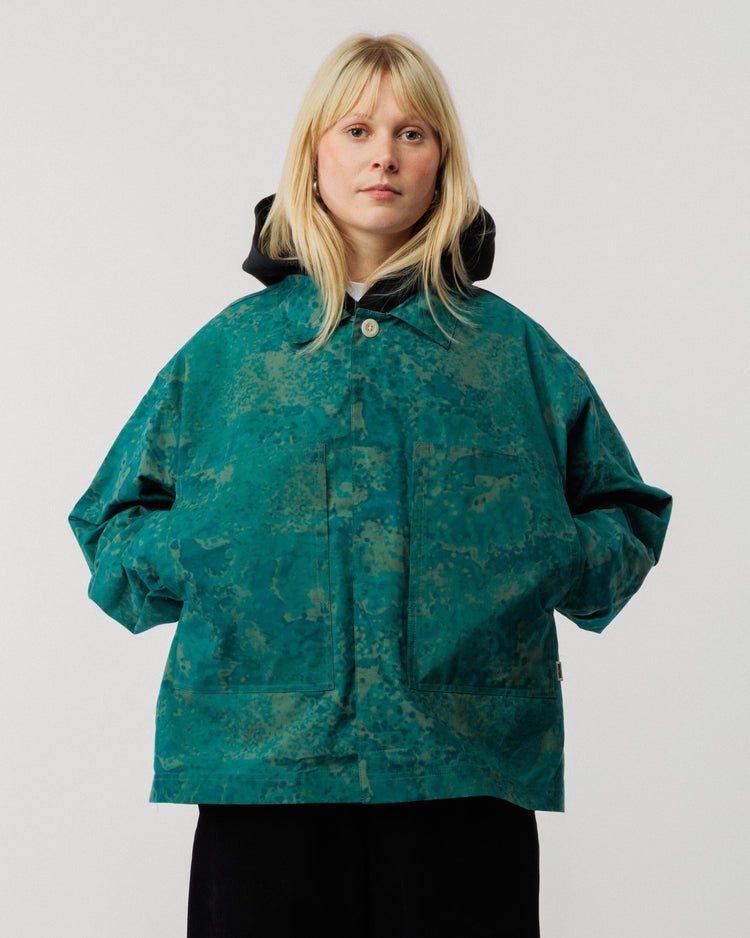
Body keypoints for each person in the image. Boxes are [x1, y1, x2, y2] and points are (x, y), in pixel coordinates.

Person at [69, 33, 672, 938]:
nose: (383, 154)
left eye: (411, 133)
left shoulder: (507, 352)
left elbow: (624, 512)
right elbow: (111, 520)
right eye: (356, 130)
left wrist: (540, 558)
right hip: (262, 770)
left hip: (463, 768)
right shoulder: (234, 351)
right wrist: (209, 559)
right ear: (314, 155)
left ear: (442, 163)